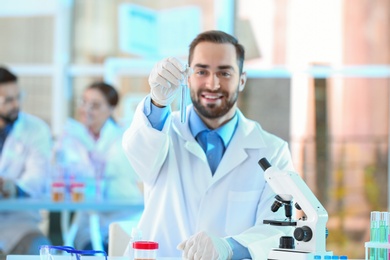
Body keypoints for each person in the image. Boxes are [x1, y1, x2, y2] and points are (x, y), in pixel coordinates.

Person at [122, 30, 296, 259]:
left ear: (241, 79)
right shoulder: (161, 131)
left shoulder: (273, 150)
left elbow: (279, 230)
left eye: (224, 73)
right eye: (202, 71)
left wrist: (230, 247)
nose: (212, 84)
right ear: (187, 77)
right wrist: (157, 102)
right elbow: (138, 156)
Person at [53, 81, 143, 251]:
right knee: (88, 248)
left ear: (110, 109)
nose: (86, 109)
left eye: (94, 105)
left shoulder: (123, 138)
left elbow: (116, 172)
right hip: (89, 219)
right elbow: (62, 171)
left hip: (124, 215)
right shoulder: (72, 137)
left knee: (118, 248)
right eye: (83, 102)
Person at [0, 66, 52, 259]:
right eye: (8, 100)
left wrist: (14, 187)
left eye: (18, 97)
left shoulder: (36, 129)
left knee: (42, 253)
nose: (16, 104)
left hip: (20, 226)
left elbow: (38, 177)